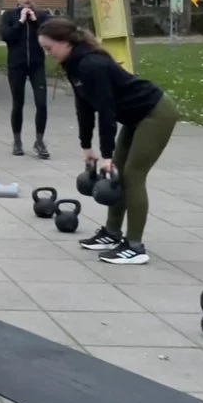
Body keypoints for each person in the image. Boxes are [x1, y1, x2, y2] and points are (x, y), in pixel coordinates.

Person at [37, 18, 179, 266]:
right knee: (118, 175)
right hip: (135, 117)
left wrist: (107, 155)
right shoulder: (73, 64)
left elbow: (106, 111)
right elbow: (84, 106)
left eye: (49, 48)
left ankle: (135, 247)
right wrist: (86, 147)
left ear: (67, 42)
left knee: (133, 175)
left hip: (155, 113)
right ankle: (112, 233)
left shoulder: (92, 64)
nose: (48, 54)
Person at [0, 0, 50, 159]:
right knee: (18, 103)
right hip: (17, 65)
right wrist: (20, 21)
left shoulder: (42, 15)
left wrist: (35, 22)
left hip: (36, 65)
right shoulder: (9, 16)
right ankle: (17, 140)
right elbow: (7, 37)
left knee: (41, 103)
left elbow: (49, 36)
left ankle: (39, 141)